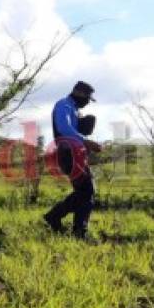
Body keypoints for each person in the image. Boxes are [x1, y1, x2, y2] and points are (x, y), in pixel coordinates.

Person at [43, 81, 103, 241]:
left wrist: (83, 130)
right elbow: (64, 128)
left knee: (85, 193)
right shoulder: (64, 106)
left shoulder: (74, 110)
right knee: (87, 191)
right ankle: (56, 218)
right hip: (68, 153)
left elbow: (73, 130)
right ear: (80, 93)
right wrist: (86, 141)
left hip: (76, 154)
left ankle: (78, 231)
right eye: (88, 98)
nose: (88, 102)